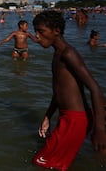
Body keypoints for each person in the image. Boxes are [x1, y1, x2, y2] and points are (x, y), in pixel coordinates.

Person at [31, 10, 106, 170]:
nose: (36, 36)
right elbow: (58, 92)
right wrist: (47, 116)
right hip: (69, 117)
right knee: (55, 164)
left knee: (41, 163)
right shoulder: (57, 55)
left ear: (56, 31)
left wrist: (100, 129)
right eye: (35, 31)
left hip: (75, 120)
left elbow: (95, 88)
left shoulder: (68, 53)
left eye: (41, 31)